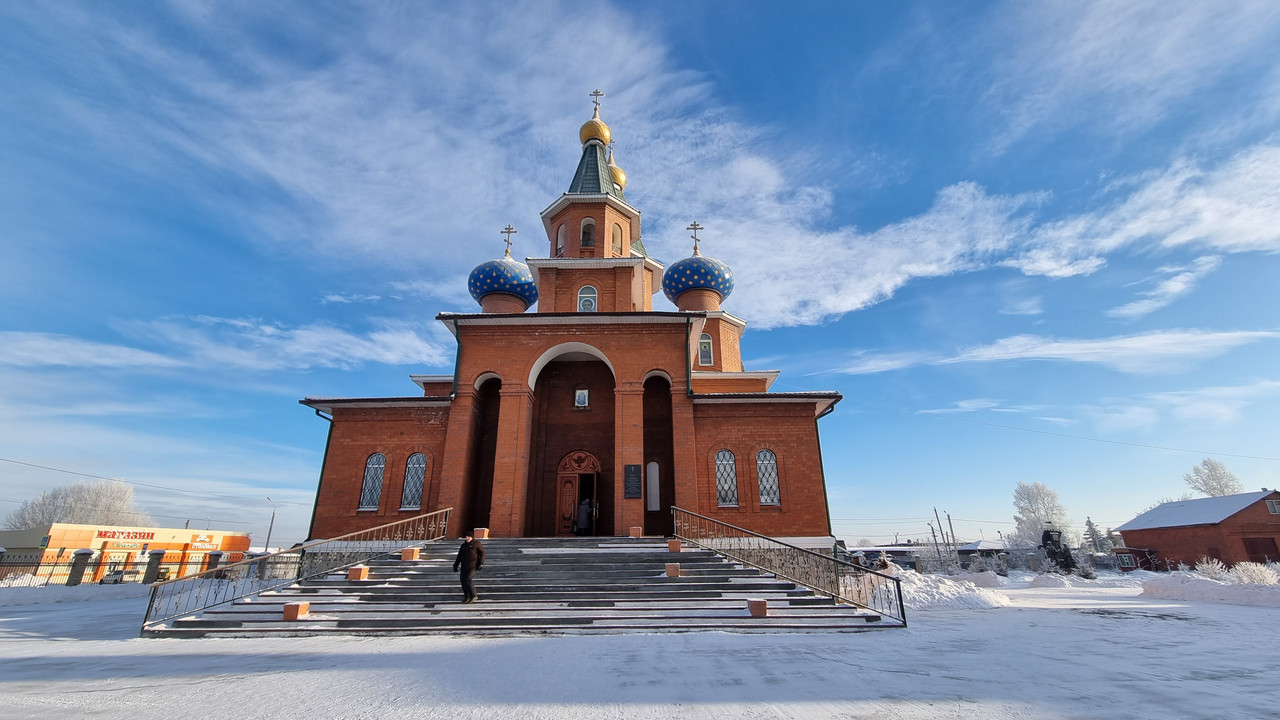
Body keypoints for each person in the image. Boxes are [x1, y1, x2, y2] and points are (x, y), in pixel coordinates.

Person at [452, 532, 486, 603]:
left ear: (472, 537)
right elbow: (459, 556)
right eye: (466, 537)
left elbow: (482, 552)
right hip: (464, 566)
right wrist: (455, 565)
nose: (467, 538)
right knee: (463, 581)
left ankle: (474, 595)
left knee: (468, 579)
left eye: (468, 537)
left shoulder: (476, 543)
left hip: (472, 566)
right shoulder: (463, 545)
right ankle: (467, 596)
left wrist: (480, 563)